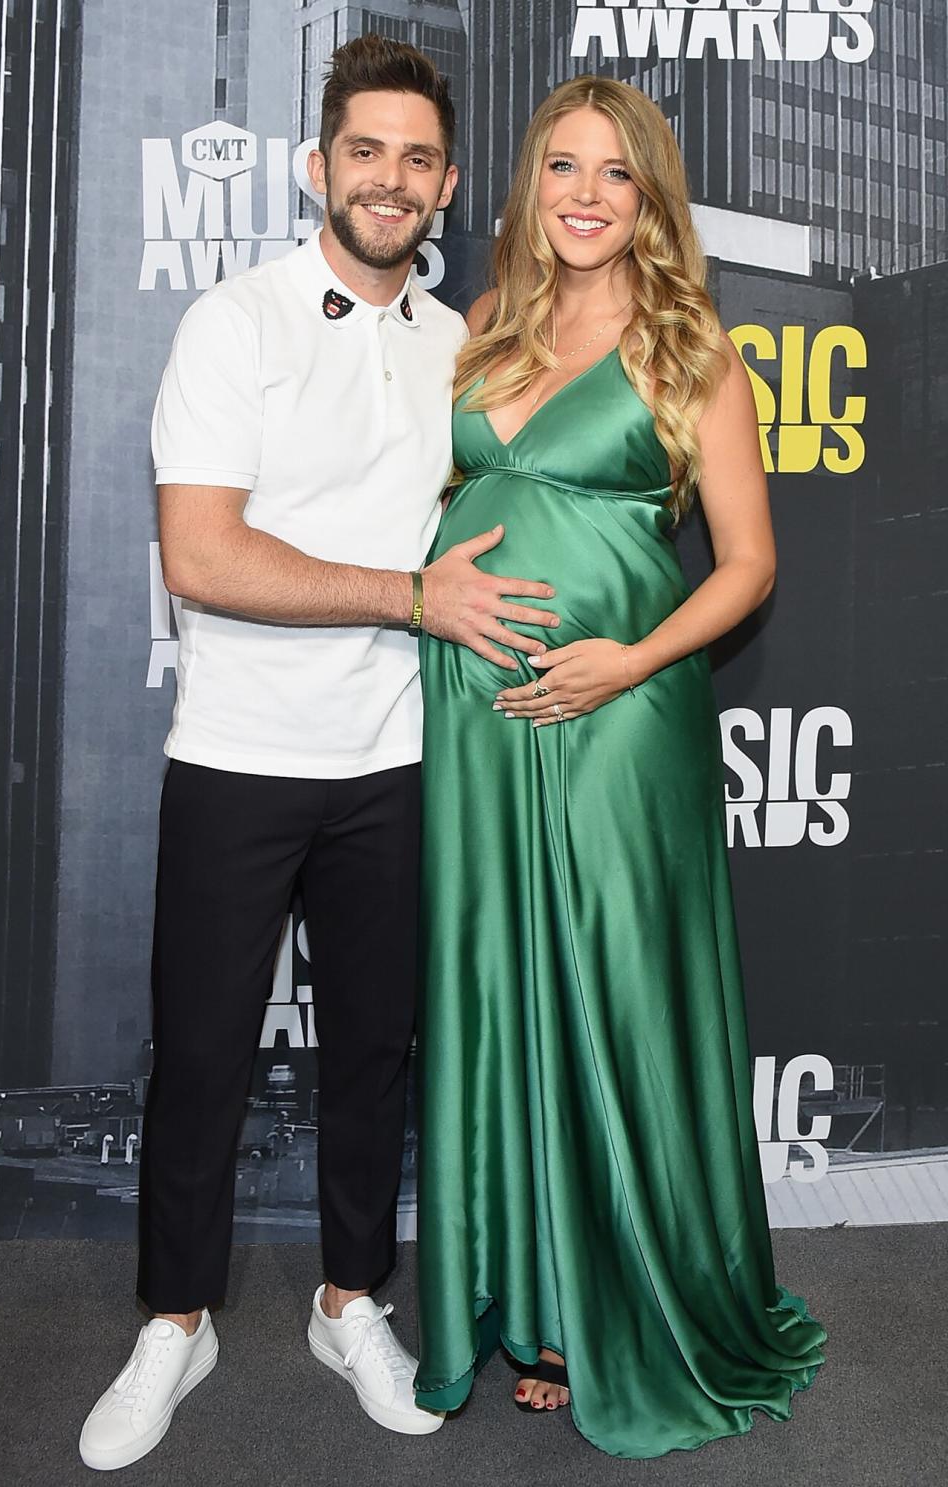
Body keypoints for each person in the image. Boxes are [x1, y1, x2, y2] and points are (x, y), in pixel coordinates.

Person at [79, 36, 558, 1472]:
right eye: (367, 151)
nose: (391, 179)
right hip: (236, 752)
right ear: (319, 167)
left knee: (375, 1057)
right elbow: (204, 554)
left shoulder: (461, 345)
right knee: (206, 1060)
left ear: (449, 183)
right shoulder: (237, 324)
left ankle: (352, 1299)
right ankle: (177, 1318)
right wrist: (411, 597)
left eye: (419, 158)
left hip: (402, 757)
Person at [413, 76, 827, 1459]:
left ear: (649, 198)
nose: (585, 195)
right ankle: (534, 1304)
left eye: (615, 174)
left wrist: (630, 661)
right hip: (479, 724)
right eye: (560, 168)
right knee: (505, 986)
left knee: (614, 992)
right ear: (526, 186)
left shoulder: (690, 347)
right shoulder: (481, 329)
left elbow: (751, 565)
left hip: (615, 723)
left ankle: (630, 1306)